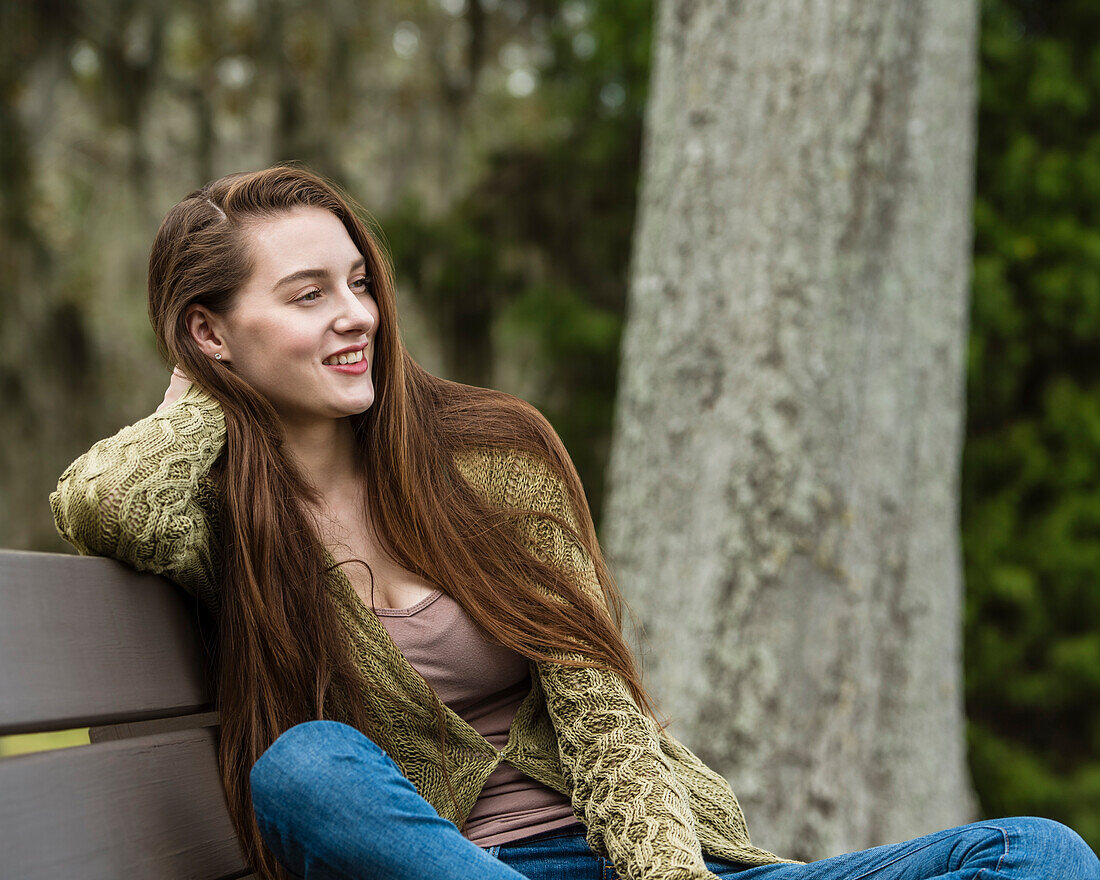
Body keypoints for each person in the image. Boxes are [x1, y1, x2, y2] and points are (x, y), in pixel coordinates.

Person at [50, 164, 1099, 880]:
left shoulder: (489, 453)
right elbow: (103, 500)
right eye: (307, 293)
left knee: (1038, 855)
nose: (356, 316)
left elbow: (600, 705)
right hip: (447, 861)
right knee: (305, 764)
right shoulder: (219, 510)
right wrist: (204, 379)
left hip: (637, 852)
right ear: (211, 331)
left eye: (360, 283)